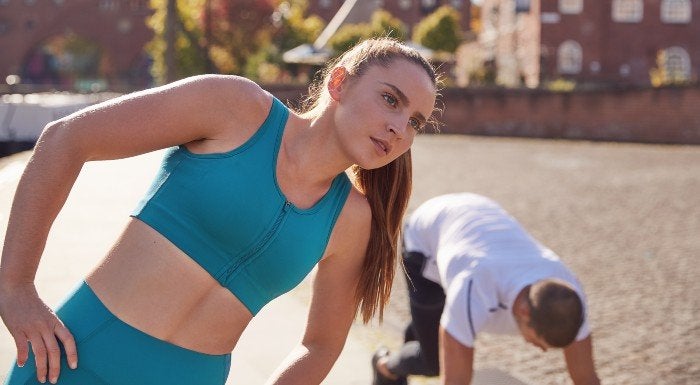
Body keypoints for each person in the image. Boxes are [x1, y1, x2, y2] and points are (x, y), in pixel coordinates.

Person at [0, 38, 438, 385]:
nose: (399, 128)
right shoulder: (235, 107)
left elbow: (321, 345)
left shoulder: (352, 220)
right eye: (390, 100)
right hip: (76, 360)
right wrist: (15, 287)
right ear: (339, 83)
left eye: (415, 122)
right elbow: (66, 140)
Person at [372, 193, 601, 385]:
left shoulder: (568, 296)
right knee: (434, 362)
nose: (541, 351)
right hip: (424, 238)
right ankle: (385, 365)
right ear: (524, 312)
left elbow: (587, 379)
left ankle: (423, 330)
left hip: (477, 220)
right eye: (541, 343)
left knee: (440, 322)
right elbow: (455, 381)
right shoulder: (475, 288)